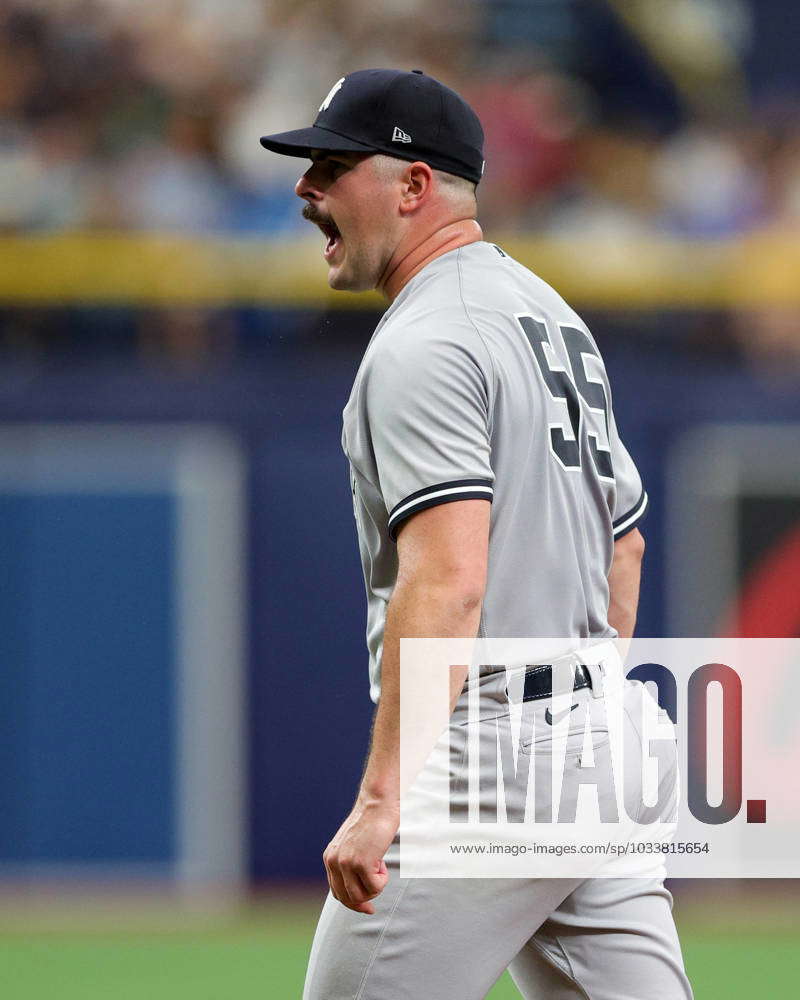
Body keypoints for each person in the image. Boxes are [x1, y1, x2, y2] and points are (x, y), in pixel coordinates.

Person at [261, 68, 692, 1000]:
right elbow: (628, 545)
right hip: (607, 739)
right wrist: (586, 720)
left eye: (331, 166)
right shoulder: (549, 314)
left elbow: (450, 577)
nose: (307, 188)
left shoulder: (428, 339)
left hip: (494, 753)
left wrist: (384, 802)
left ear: (413, 186)